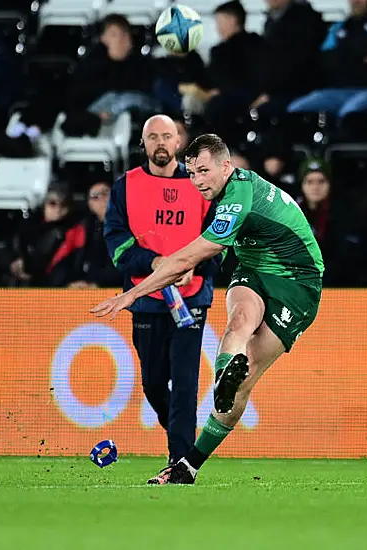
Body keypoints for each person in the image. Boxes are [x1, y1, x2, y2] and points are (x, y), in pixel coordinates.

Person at [91, 134, 325, 485]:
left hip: (298, 284)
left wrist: (131, 294)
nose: (197, 180)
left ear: (226, 166)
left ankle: (189, 463)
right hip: (254, 268)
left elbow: (188, 255)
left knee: (245, 383)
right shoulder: (227, 194)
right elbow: (205, 255)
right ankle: (224, 377)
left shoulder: (237, 197)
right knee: (238, 323)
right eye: (191, 173)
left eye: (203, 171)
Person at [102, 115, 216, 469]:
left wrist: (193, 266)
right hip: (147, 298)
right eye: (153, 137)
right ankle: (179, 438)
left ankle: (180, 460)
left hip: (191, 297)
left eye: (167, 136)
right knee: (153, 383)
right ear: (143, 143)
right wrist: (155, 265)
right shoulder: (125, 186)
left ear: (179, 141)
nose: (160, 143)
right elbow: (116, 241)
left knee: (185, 382)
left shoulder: (202, 184)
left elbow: (221, 235)